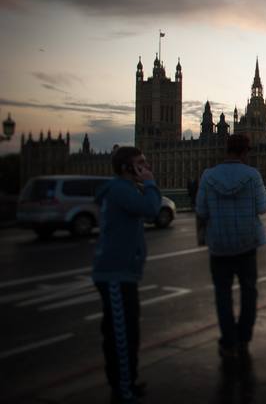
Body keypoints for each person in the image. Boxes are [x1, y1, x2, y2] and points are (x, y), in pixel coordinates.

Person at [92, 146, 161, 403]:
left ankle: (127, 382)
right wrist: (151, 184)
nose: (146, 166)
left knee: (128, 332)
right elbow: (152, 210)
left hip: (122, 273)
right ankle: (122, 391)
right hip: (115, 274)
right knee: (121, 336)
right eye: (140, 163)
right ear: (126, 168)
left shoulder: (123, 189)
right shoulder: (121, 189)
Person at [196, 134, 266, 362]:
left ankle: (228, 343)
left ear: (225, 150)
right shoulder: (252, 175)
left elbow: (201, 210)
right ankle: (244, 339)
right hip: (246, 243)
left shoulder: (208, 176)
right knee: (249, 292)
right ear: (246, 152)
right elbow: (263, 207)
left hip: (219, 244)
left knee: (223, 295)